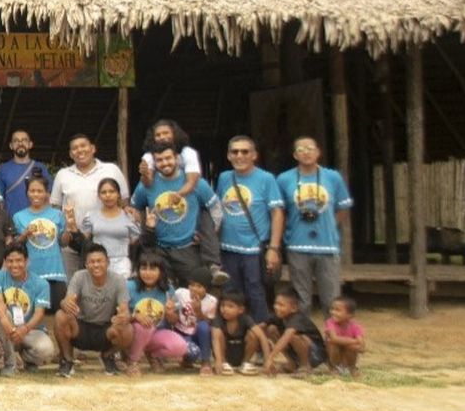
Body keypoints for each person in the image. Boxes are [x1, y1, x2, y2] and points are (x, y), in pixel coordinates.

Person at [276, 136, 353, 314]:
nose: (306, 152)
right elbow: (280, 211)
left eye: (310, 148)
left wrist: (331, 224)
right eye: (301, 149)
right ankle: (304, 337)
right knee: (301, 299)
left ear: (318, 152)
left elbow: (343, 207)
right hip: (297, 244)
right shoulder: (284, 179)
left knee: (331, 298)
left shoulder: (332, 177)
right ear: (295, 155)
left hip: (327, 245)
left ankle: (331, 337)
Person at [214, 135, 285, 322]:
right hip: (228, 247)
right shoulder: (224, 178)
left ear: (254, 155)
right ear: (228, 156)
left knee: (255, 291)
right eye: (235, 152)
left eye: (245, 151)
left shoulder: (266, 179)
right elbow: (217, 210)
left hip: (254, 248)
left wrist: (274, 248)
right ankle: (235, 336)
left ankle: (260, 333)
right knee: (230, 292)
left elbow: (277, 213)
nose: (240, 156)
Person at [131, 144, 221, 287]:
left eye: (168, 158)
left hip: (188, 249)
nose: (165, 163)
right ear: (154, 162)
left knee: (193, 293)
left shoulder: (196, 182)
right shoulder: (146, 184)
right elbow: (134, 208)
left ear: (177, 158)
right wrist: (144, 230)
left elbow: (215, 208)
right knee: (162, 294)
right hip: (159, 249)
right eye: (159, 160)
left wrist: (208, 234)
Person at [50, 132, 129, 276]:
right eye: (75, 148)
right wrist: (64, 233)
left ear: (93, 148)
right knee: (74, 286)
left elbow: (124, 202)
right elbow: (55, 208)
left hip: (105, 241)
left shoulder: (111, 169)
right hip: (72, 243)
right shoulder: (63, 174)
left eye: (83, 146)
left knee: (107, 285)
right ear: (70, 154)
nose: (80, 150)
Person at [54, 243, 133, 378]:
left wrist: (124, 316)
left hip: (105, 329)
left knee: (127, 328)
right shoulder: (79, 276)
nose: (96, 265)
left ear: (107, 263)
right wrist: (65, 303)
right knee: (60, 316)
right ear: (86, 264)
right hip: (81, 328)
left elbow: (124, 309)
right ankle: (67, 360)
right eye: (92, 262)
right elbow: (68, 299)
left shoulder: (118, 280)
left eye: (99, 261)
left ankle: (108, 356)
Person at [0, 245, 58, 374]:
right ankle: (10, 363)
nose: (14, 265)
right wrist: (7, 324)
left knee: (47, 350)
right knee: (2, 314)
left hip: (29, 330)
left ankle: (28, 360)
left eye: (19, 260)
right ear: (5, 262)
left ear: (27, 261)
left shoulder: (41, 284)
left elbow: (39, 314)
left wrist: (24, 329)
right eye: (10, 261)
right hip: (5, 329)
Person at [125, 253, 187, 376]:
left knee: (180, 347)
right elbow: (119, 312)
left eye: (153, 269)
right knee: (144, 326)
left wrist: (170, 313)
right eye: (144, 268)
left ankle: (152, 355)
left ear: (161, 271)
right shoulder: (129, 286)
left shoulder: (168, 289)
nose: (147, 273)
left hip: (156, 332)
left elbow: (174, 320)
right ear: (138, 270)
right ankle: (132, 361)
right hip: (132, 333)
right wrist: (135, 316)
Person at [13, 176, 69, 304]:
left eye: (40, 191)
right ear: (27, 193)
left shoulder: (57, 214)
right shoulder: (18, 216)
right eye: (32, 191)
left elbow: (63, 243)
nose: (36, 194)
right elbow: (15, 246)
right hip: (29, 274)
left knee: (56, 315)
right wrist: (25, 234)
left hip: (55, 272)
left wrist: (69, 227)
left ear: (46, 193)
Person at [80, 178, 139, 280]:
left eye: (112, 191)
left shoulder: (129, 216)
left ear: (118, 194)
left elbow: (135, 241)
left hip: (122, 264)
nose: (108, 195)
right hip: (98, 263)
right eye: (104, 192)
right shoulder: (91, 216)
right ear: (99, 196)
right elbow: (83, 240)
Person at [261, 287, 327, 377]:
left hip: (316, 355)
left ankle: (305, 366)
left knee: (293, 336)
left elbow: (287, 337)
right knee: (271, 329)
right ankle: (292, 363)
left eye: (281, 305)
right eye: (276, 304)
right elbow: (258, 328)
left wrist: (270, 358)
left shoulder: (297, 318)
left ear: (294, 308)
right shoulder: (278, 316)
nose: (276, 307)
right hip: (298, 353)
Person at [168, 265, 218, 375]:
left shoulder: (211, 301)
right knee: (192, 353)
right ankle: (187, 360)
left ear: (207, 289)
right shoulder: (180, 293)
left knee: (203, 326)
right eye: (192, 285)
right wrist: (171, 310)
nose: (194, 289)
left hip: (197, 335)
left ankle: (205, 362)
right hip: (181, 332)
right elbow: (173, 309)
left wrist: (198, 311)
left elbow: (208, 324)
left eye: (199, 286)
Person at [138, 119, 203, 198]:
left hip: (187, 195)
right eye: (158, 135)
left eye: (166, 133)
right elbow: (148, 184)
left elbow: (192, 182)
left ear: (175, 134)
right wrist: (144, 174)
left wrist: (177, 195)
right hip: (159, 193)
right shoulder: (149, 156)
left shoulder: (188, 153)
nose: (162, 137)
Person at [0, 129, 52, 217]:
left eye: (24, 140)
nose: (20, 143)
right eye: (16, 141)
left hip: (38, 219)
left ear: (30, 144)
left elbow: (48, 195)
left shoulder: (40, 167)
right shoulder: (3, 169)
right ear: (11, 146)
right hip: (12, 220)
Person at [212, 289, 262, 375]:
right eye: (223, 305)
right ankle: (224, 363)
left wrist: (269, 359)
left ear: (241, 310)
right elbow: (215, 339)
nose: (225, 309)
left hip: (240, 353)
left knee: (253, 335)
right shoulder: (218, 319)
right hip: (224, 355)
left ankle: (245, 363)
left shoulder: (246, 319)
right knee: (218, 333)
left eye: (230, 306)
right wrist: (219, 360)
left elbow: (262, 337)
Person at [324, 295, 366, 378]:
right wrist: (354, 341)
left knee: (352, 347)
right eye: (332, 309)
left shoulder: (355, 326)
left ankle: (352, 368)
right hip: (335, 355)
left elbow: (362, 347)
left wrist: (349, 344)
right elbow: (334, 339)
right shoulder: (330, 322)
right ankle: (334, 368)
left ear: (349, 315)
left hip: (347, 356)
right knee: (332, 343)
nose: (333, 312)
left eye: (337, 310)